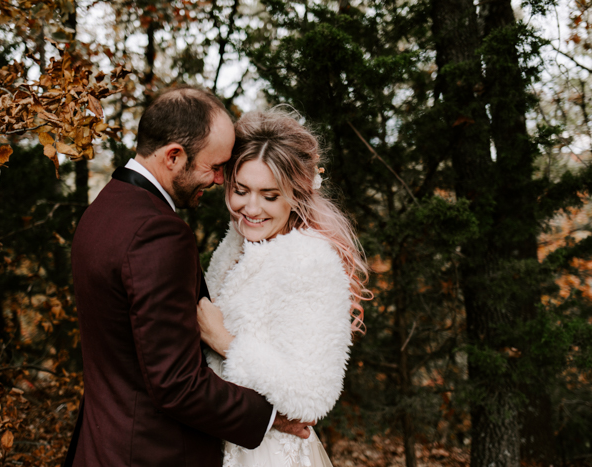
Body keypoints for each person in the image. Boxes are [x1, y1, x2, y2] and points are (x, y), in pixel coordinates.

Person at [65, 88, 310, 467]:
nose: (217, 181)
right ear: (174, 156)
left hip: (102, 445)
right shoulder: (159, 233)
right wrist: (270, 416)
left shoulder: (102, 210)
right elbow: (177, 384)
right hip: (151, 453)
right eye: (213, 167)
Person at [197, 109, 371, 467]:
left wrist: (225, 342)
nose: (251, 208)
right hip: (222, 439)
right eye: (240, 190)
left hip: (269, 454)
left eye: (270, 195)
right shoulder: (236, 245)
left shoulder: (309, 261)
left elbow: (312, 393)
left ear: (296, 195)